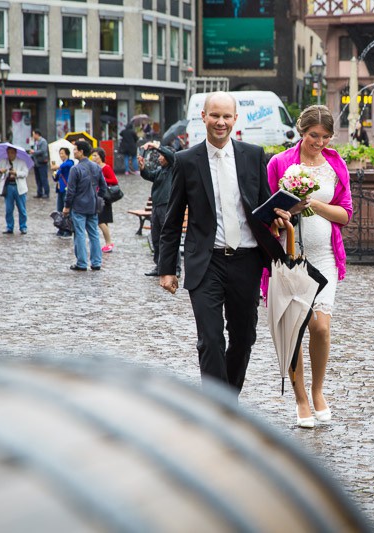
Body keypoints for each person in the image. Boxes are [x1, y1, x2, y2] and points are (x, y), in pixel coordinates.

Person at [157, 91, 294, 392]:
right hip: (206, 262)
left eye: (226, 116)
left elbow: (262, 206)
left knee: (244, 338)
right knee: (211, 339)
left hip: (247, 260)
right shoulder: (186, 161)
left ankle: (227, 398)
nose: (221, 122)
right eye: (215, 115)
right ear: (203, 117)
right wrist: (167, 269)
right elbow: (172, 218)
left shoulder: (253, 155)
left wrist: (279, 215)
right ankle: (217, 411)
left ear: (235, 118)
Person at [265, 104, 354, 428]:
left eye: (326, 137)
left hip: (326, 257)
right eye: (314, 135)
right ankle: (301, 398)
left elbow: (345, 214)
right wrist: (284, 215)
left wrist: (314, 204)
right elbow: (267, 217)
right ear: (302, 131)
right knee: (294, 330)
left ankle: (318, 390)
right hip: (289, 259)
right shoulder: (280, 163)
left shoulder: (335, 164)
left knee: (320, 327)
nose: (319, 142)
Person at [63, 141, 108, 271]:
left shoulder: (75, 169)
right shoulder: (96, 167)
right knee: (94, 234)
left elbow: (70, 191)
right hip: (93, 206)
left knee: (80, 234)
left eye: (75, 149)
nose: (74, 152)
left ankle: (81, 263)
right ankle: (96, 262)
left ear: (81, 151)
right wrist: (97, 198)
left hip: (79, 206)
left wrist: (66, 207)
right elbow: (104, 187)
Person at [140, 145, 175, 276]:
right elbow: (149, 175)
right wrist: (143, 168)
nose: (159, 158)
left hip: (166, 206)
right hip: (156, 206)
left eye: (161, 156)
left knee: (169, 238)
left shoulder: (173, 167)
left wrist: (156, 146)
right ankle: (159, 266)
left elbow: (172, 156)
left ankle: (174, 267)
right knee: (156, 238)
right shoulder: (161, 170)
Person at [0, 146, 29, 234]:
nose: (10, 155)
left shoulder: (21, 162)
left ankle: (23, 226)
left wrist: (16, 173)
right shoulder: (4, 161)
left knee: (22, 209)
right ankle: (9, 226)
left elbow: (25, 173)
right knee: (8, 209)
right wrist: (1, 171)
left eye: (12, 153)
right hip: (8, 187)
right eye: (8, 152)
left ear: (15, 153)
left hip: (19, 187)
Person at [90, 148, 118, 253]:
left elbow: (114, 180)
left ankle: (109, 242)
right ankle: (107, 242)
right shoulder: (94, 168)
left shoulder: (105, 168)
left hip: (104, 197)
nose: (94, 158)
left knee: (100, 221)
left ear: (101, 156)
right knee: (103, 221)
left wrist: (101, 179)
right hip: (96, 196)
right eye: (92, 155)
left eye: (95, 155)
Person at [51, 147, 74, 237]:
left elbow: (68, 165)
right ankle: (61, 228)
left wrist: (57, 166)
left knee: (67, 210)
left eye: (63, 153)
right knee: (60, 209)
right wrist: (54, 173)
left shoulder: (69, 162)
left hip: (67, 189)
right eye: (60, 153)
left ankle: (68, 229)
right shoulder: (61, 165)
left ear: (67, 154)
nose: (61, 155)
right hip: (60, 189)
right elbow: (56, 177)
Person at [28, 130, 50, 199]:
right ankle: (39, 192)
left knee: (43, 178)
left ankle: (46, 193)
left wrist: (34, 152)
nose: (33, 136)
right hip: (36, 163)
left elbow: (43, 151)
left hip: (42, 162)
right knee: (38, 179)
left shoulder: (43, 141)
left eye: (33, 134)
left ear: (37, 134)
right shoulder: (35, 142)